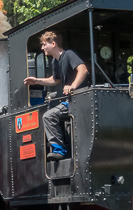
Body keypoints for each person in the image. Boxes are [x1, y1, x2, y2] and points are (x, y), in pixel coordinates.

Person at [23, 30, 88, 161]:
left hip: (80, 98)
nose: (42, 48)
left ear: (53, 44)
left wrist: (73, 86)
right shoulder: (55, 62)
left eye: (44, 44)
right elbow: (55, 80)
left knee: (48, 116)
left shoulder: (69, 54)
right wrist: (37, 81)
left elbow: (83, 69)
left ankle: (60, 150)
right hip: (70, 100)